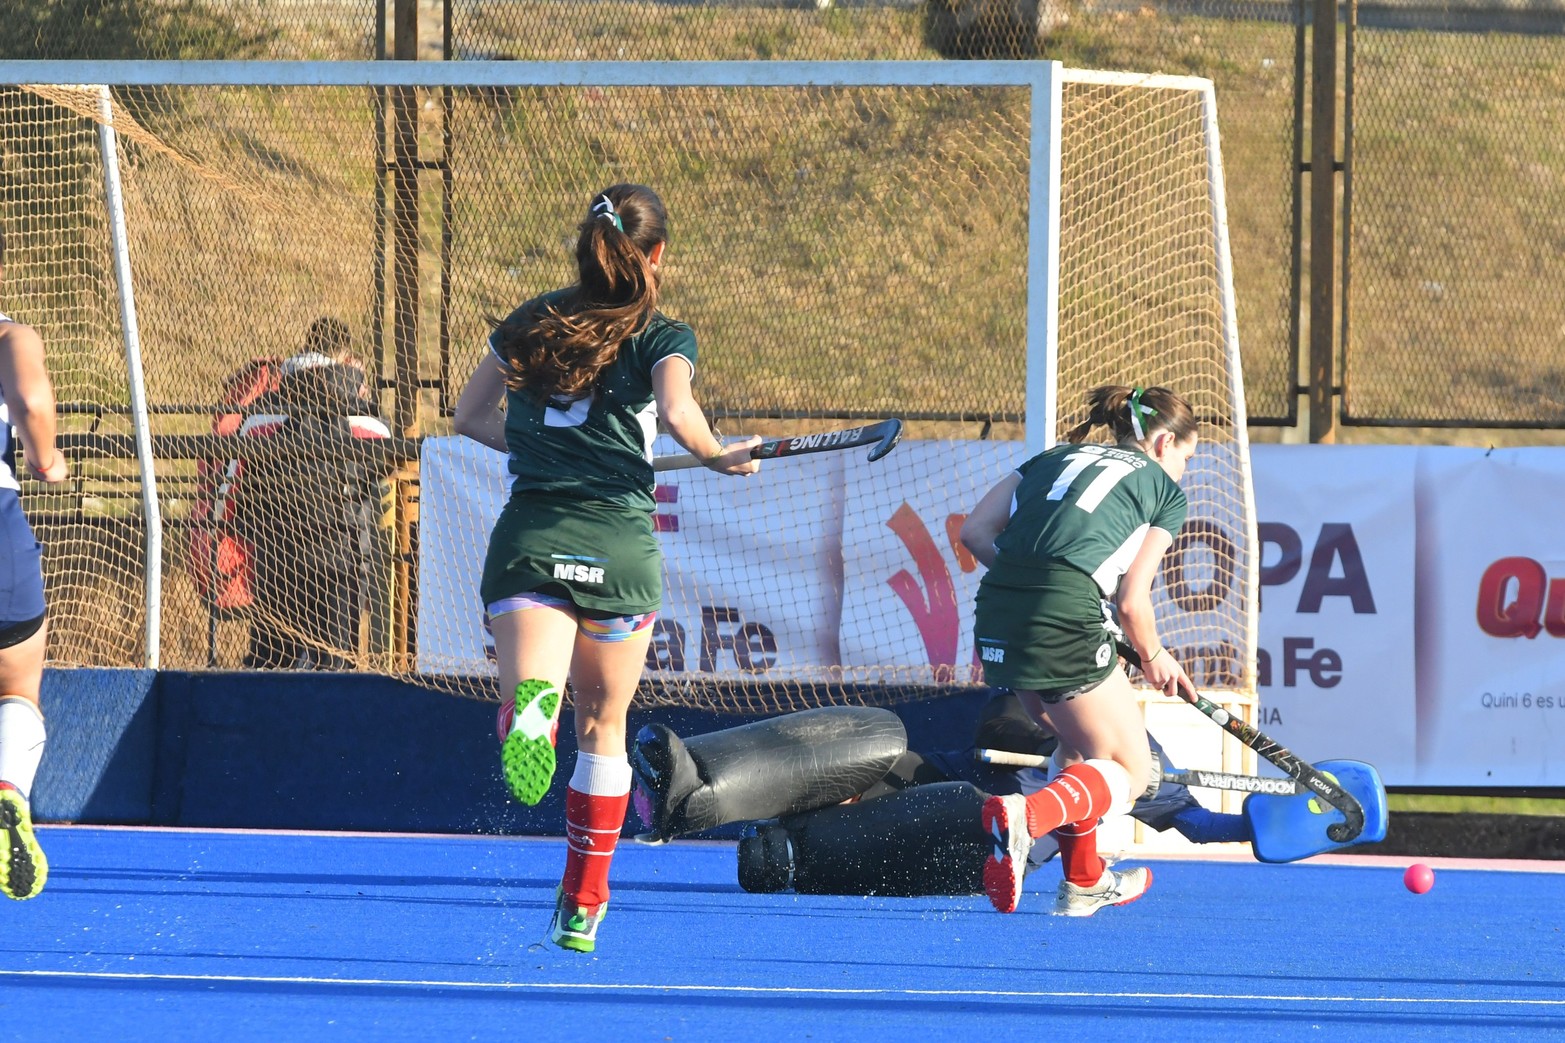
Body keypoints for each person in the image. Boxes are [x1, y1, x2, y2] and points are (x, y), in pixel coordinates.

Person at [452, 183, 760, 953]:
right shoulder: (663, 335)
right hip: (618, 547)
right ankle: (584, 900)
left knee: (540, 692)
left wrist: (533, 449)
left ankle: (530, 709)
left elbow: (467, 416)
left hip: (531, 535)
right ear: (656, 255)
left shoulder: (529, 321)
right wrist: (720, 456)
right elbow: (682, 416)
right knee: (605, 727)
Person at [628, 688, 1256, 899]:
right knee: (876, 734)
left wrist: (1261, 825)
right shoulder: (1028, 691)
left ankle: (790, 856)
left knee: (965, 808)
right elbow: (988, 735)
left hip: (973, 851)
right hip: (938, 783)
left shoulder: (1136, 758)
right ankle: (692, 791)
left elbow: (1199, 826)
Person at [960, 384, 1199, 917]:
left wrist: (1044, 591)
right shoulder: (1162, 489)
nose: (1183, 469)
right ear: (1163, 443)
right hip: (1063, 615)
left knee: (1075, 746)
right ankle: (1029, 819)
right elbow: (1134, 603)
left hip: (999, 611)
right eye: (1186, 456)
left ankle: (1084, 880)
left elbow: (976, 533)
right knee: (1131, 771)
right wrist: (1154, 653)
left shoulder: (1051, 458)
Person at [235, 318, 391, 670]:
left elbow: (236, 481)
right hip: (344, 555)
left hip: (277, 555)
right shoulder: (365, 419)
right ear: (346, 358)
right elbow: (387, 467)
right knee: (336, 663)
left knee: (273, 661)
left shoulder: (262, 414)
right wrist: (359, 394)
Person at [0, 229, 71, 900]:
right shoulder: (10, 336)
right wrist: (47, 458)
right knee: (17, 690)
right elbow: (29, 402)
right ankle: (8, 788)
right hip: (1, 534)